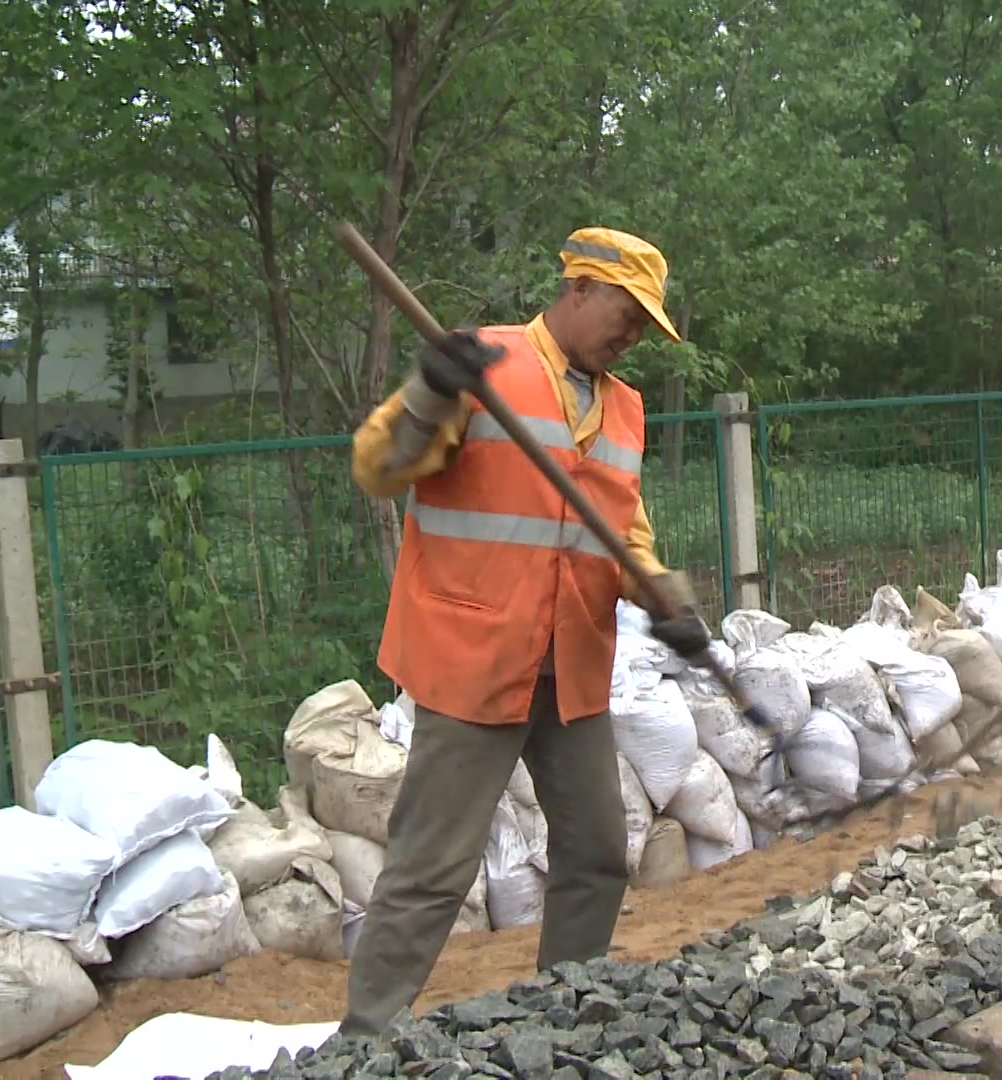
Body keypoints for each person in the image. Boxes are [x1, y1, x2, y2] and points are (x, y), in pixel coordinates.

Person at [339, 227, 714, 1036]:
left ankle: (564, 1013)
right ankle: (365, 1041)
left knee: (598, 852)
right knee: (433, 869)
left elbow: (623, 531)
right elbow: (378, 466)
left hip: (571, 661)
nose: (632, 333)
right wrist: (429, 394)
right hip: (475, 659)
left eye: (646, 323)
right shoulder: (483, 368)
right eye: (626, 312)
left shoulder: (625, 407)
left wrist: (663, 598)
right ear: (579, 289)